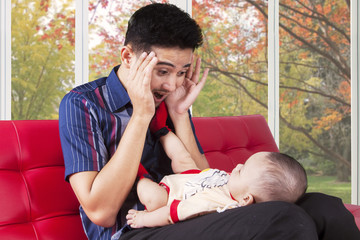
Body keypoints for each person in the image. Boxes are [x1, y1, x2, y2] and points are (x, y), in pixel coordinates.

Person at [59, 3, 360, 240]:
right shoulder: (83, 104)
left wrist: (179, 115)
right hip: (138, 229)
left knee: (326, 208)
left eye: (181, 72)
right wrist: (141, 115)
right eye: (162, 71)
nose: (172, 84)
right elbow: (100, 212)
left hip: (198, 212)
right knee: (284, 218)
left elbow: (204, 178)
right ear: (128, 56)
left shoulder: (171, 99)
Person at [126, 106, 308, 228]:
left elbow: (169, 214)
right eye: (243, 164)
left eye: (242, 170)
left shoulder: (213, 205)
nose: (237, 165)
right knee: (183, 158)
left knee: (153, 198)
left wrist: (143, 219)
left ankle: (137, 170)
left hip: (170, 195)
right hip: (194, 177)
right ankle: (161, 129)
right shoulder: (237, 185)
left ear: (245, 199)